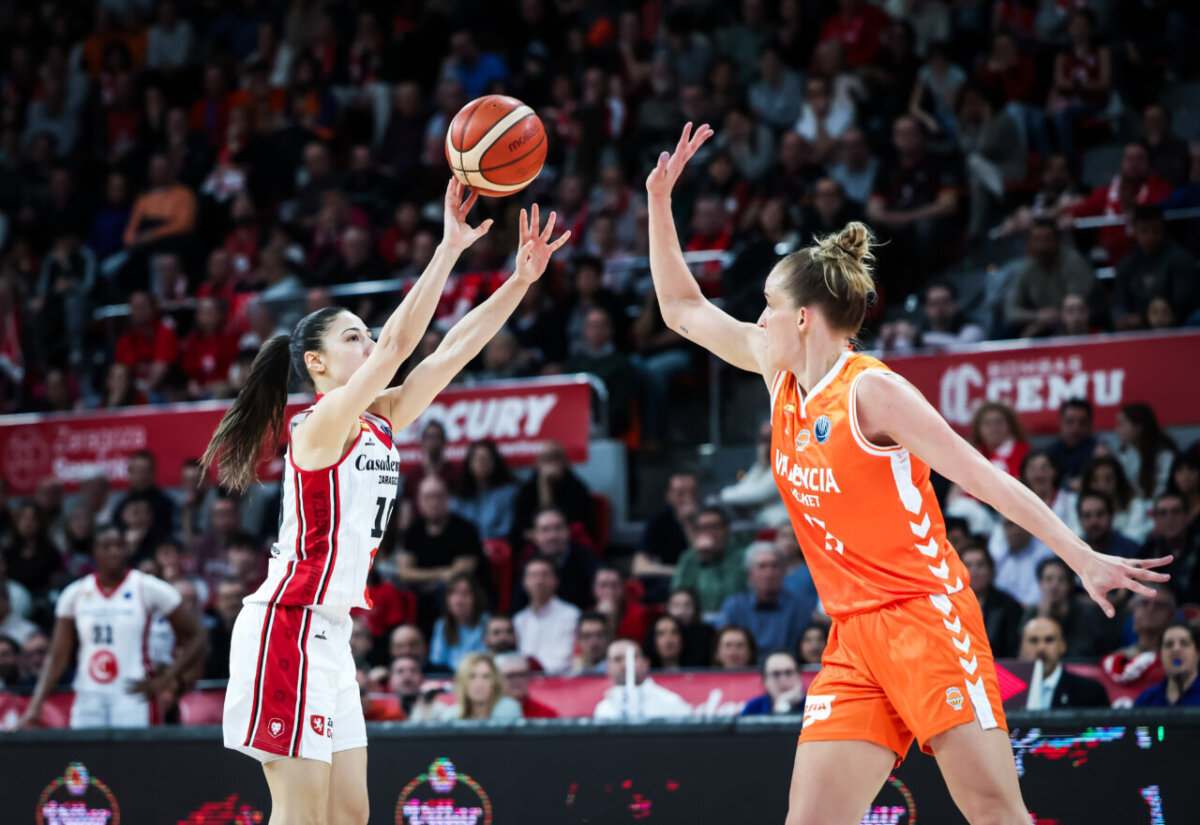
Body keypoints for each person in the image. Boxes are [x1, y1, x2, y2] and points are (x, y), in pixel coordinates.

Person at [645, 123, 1167, 825]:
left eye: (767, 307)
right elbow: (681, 312)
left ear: (802, 318)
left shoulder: (872, 390)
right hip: (853, 635)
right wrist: (657, 202)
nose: (757, 318)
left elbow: (983, 476)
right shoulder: (781, 371)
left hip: (925, 617)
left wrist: (1080, 556)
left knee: (995, 812)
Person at [201, 181, 567, 823]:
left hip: (333, 634)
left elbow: (450, 351)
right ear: (316, 364)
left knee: (350, 817)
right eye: (353, 339)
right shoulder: (318, 426)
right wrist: (450, 249)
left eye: (367, 336)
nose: (370, 345)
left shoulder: (381, 417)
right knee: (302, 817)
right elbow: (401, 345)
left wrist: (518, 282)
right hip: (287, 624)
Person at [17, 527, 205, 729]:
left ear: (127, 550)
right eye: (106, 546)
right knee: (81, 761)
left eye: (119, 545)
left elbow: (198, 634)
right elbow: (57, 656)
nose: (114, 551)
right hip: (89, 695)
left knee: (134, 760)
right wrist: (35, 704)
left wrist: (169, 677)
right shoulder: (74, 594)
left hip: (133, 695)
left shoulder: (147, 587)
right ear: (94, 552)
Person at [1004, 219, 1095, 338]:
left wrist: (1052, 319)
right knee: (1004, 331)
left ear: (1057, 241)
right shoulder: (1027, 269)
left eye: (1047, 239)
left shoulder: (1073, 262)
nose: (1042, 246)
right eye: (1037, 240)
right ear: (1030, 244)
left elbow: (1076, 307)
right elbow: (1010, 310)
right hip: (1042, 322)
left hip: (1077, 323)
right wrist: (1036, 317)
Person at [1112, 207, 1199, 331]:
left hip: (1178, 324)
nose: (1150, 236)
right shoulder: (1126, 265)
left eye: (1155, 230)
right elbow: (1119, 303)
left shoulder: (1181, 259)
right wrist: (1123, 317)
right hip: (1138, 327)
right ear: (1135, 231)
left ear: (1163, 230)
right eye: (1144, 230)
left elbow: (1185, 302)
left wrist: (1161, 315)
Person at [719, 542, 809, 656]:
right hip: (745, 671)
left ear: (783, 572)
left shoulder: (800, 607)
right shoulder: (734, 607)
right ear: (750, 573)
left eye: (774, 566)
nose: (769, 573)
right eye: (762, 566)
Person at [1020, 558, 1115, 658]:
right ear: (1040, 583)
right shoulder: (1031, 615)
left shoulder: (1088, 615)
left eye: (1061, 580)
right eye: (1048, 579)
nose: (1054, 586)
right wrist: (1042, 618)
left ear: (1070, 585)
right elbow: (1024, 656)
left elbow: (1084, 653)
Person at [510, 441, 593, 548]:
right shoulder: (528, 489)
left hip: (566, 540)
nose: (551, 462)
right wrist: (544, 485)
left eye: (555, 457)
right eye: (546, 458)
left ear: (565, 461)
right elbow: (519, 525)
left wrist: (554, 486)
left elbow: (580, 522)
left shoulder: (577, 487)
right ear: (538, 463)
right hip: (535, 541)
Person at [513, 507, 596, 611]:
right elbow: (518, 605)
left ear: (568, 531)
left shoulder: (584, 556)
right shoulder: (528, 563)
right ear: (535, 535)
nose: (552, 536)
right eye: (545, 530)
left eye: (558, 528)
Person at [670, 505, 747, 616]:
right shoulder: (688, 558)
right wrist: (705, 560)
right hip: (697, 623)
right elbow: (679, 597)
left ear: (727, 529)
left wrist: (708, 561)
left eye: (714, 527)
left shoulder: (742, 556)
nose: (709, 532)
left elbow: (723, 599)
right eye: (703, 528)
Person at [1018, 617, 1109, 710]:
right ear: (1022, 647)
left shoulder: (1090, 692)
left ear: (1062, 646)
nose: (1041, 648)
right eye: (1034, 640)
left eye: (1049, 640)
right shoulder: (1004, 691)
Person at [634, 470, 699, 595]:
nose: (688, 498)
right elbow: (639, 567)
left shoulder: (708, 519)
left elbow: (700, 560)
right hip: (670, 580)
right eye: (681, 493)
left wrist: (688, 523)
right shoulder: (658, 521)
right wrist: (679, 571)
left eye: (692, 492)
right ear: (669, 496)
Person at [593, 639, 692, 720]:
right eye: (617, 659)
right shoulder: (603, 710)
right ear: (607, 668)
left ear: (646, 663)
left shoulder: (670, 702)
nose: (625, 664)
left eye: (632, 658)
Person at [513, 557, 580, 675]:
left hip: (561, 682)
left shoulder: (571, 615)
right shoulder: (519, 620)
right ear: (524, 582)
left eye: (545, 575)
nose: (539, 581)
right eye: (533, 575)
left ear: (555, 580)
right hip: (525, 682)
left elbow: (570, 659)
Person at [960, 544, 1023, 659]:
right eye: (968, 565)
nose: (974, 571)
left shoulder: (1009, 606)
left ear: (991, 570)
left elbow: (1012, 650)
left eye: (980, 565)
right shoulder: (949, 605)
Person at [451, 440, 518, 542]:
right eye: (477, 458)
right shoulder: (458, 496)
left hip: (496, 547)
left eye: (486, 458)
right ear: (469, 463)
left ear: (495, 462)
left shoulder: (509, 493)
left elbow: (506, 528)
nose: (482, 462)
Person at [1142, 492, 1200, 604]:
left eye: (1176, 512)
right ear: (1156, 519)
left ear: (1187, 516)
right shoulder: (1148, 550)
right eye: (1163, 513)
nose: (1169, 519)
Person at [1080, 456, 1153, 543]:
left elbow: (1135, 541)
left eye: (1108, 479)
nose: (1102, 485)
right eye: (1095, 480)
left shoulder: (1135, 505)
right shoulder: (1081, 506)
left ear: (1118, 481)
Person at [1114, 403, 1177, 501]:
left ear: (1139, 427)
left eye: (1122, 424)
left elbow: (1162, 491)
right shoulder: (1125, 454)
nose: (1117, 429)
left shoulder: (1165, 456)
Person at [429, 573, 489, 673]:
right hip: (450, 678)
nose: (459, 600)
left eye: (465, 594)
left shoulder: (487, 622)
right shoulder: (442, 625)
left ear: (477, 598)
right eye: (453, 593)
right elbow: (437, 662)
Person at [436, 652, 522, 721]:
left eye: (486, 676)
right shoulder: (450, 717)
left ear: (494, 682)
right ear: (462, 682)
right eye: (472, 676)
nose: (479, 683)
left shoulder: (509, 710)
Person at [989, 517, 1054, 607]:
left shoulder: (1045, 554)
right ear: (1003, 527)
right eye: (1010, 524)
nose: (1016, 530)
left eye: (1021, 523)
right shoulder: (997, 556)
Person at [1133, 624, 1200, 708]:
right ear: (1160, 655)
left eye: (1184, 643)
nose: (1176, 649)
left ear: (1197, 653)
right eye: (1169, 644)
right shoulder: (1148, 699)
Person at [1045, 399, 1097, 490]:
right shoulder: (1049, 453)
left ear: (1090, 424)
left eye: (1082, 422)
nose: (1076, 428)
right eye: (1070, 421)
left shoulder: (1098, 453)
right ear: (1061, 423)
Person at [591, 565, 651, 644]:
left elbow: (632, 648)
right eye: (603, 585)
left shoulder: (637, 614)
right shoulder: (587, 617)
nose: (609, 591)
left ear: (623, 588)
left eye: (614, 585)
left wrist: (611, 621)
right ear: (593, 590)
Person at [970, 403, 1030, 480]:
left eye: (999, 422)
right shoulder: (972, 454)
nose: (994, 428)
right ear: (978, 429)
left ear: (1010, 426)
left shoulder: (1024, 452)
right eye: (987, 423)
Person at [1078, 492, 1140, 560]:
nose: (1094, 521)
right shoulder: (1075, 552)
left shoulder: (1132, 551)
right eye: (1087, 515)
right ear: (1080, 519)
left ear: (1111, 516)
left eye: (1100, 514)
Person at [495, 652, 558, 718]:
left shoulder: (547, 715)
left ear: (529, 678)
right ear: (500, 680)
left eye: (521, 675)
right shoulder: (490, 712)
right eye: (511, 676)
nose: (516, 680)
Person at [665, 588, 715, 667]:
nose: (682, 610)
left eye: (687, 604)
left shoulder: (707, 633)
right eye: (676, 605)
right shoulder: (659, 631)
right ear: (668, 608)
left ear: (695, 607)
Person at [571, 611, 611, 676]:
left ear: (608, 637)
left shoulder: (617, 673)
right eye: (587, 636)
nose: (593, 642)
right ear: (578, 640)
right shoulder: (569, 673)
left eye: (599, 635)